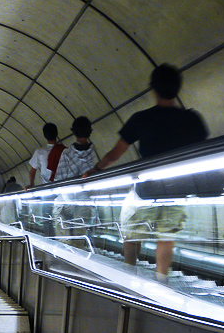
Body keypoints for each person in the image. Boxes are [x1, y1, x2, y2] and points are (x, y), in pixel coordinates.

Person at [85, 64, 208, 278]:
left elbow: (116, 153)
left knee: (131, 231)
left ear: (153, 90)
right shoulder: (192, 119)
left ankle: (130, 273)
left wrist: (95, 170)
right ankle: (162, 280)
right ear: (178, 89)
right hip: (178, 191)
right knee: (166, 236)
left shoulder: (142, 119)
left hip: (147, 190)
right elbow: (204, 152)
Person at [56, 116, 96, 181]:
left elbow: (59, 179)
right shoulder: (94, 154)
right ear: (89, 131)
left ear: (74, 132)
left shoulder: (67, 154)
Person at [28, 123, 64, 187]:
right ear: (57, 134)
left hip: (46, 189)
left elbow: (32, 172)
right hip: (62, 187)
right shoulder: (64, 150)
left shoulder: (39, 152)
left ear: (45, 137)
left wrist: (31, 185)